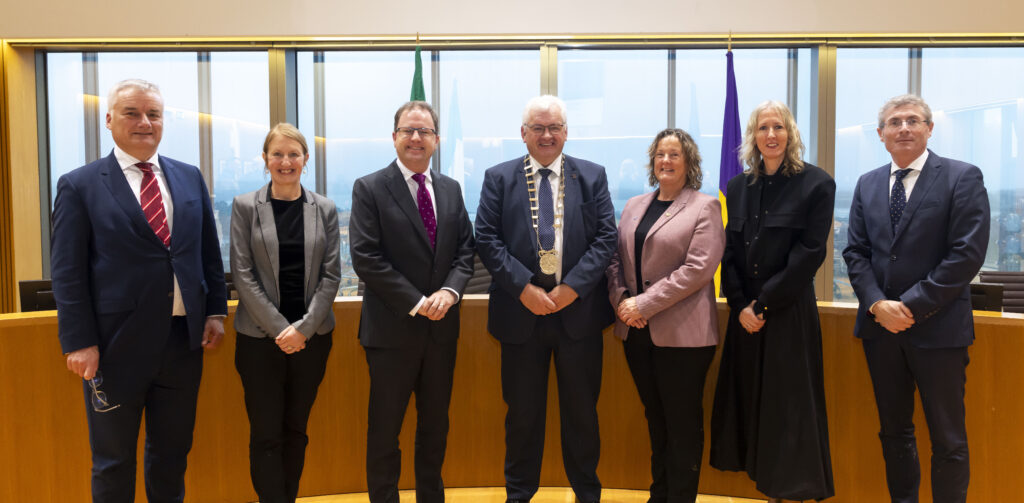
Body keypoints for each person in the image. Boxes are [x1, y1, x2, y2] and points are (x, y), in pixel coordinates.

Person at [51, 78, 227, 503]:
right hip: (114, 348)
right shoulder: (80, 185)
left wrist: (216, 312)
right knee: (113, 463)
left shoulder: (188, 177)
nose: (144, 122)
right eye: (132, 113)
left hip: (182, 344)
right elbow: (67, 271)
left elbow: (207, 252)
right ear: (109, 119)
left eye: (154, 114)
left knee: (171, 457)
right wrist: (79, 341)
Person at [842, 94, 989, 503]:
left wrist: (909, 306)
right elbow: (855, 252)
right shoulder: (868, 183)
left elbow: (966, 253)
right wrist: (876, 304)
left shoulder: (961, 177)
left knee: (948, 439)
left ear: (929, 128)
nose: (903, 127)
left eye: (912, 120)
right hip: (880, 332)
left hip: (939, 331)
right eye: (894, 122)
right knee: (894, 432)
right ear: (881, 135)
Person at [475, 95, 617, 503]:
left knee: (582, 416)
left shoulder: (591, 177)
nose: (546, 134)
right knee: (522, 417)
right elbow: (486, 238)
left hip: (579, 318)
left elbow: (606, 237)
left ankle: (587, 494)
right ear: (523, 134)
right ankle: (518, 495)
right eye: (537, 127)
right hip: (521, 318)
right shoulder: (499, 178)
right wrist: (523, 288)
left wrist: (572, 287)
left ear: (566, 133)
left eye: (554, 127)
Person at [349, 101, 475, 503]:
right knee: (385, 430)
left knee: (435, 427)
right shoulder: (369, 187)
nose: (416, 138)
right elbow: (366, 257)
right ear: (394, 138)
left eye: (424, 132)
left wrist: (450, 292)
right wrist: (419, 301)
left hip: (441, 332)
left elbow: (465, 250)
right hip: (391, 332)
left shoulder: (452, 189)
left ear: (437, 140)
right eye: (408, 130)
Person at [710, 100, 835, 502]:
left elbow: (810, 254)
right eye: (763, 128)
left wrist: (762, 305)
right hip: (746, 315)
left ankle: (791, 494)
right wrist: (742, 304)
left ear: (791, 134)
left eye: (778, 127)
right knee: (750, 406)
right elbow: (729, 252)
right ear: (752, 137)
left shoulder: (816, 184)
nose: (771, 135)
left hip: (787, 313)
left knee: (788, 411)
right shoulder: (737, 187)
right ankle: (759, 484)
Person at [606, 128, 724, 503]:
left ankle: (681, 497)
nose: (665, 161)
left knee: (682, 426)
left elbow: (698, 269)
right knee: (656, 422)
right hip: (636, 332)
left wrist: (644, 304)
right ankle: (659, 495)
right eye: (660, 154)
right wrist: (623, 299)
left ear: (689, 162)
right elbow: (614, 261)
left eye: (674, 154)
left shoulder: (704, 206)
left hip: (684, 337)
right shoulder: (634, 205)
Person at [229, 123, 340, 503]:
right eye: (277, 154)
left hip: (312, 341)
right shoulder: (245, 206)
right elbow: (242, 276)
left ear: (305, 160)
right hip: (259, 341)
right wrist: (282, 330)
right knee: (265, 434)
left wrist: (303, 330)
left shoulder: (323, 208)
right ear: (265, 160)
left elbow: (331, 275)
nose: (286, 161)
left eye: (294, 154)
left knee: (296, 430)